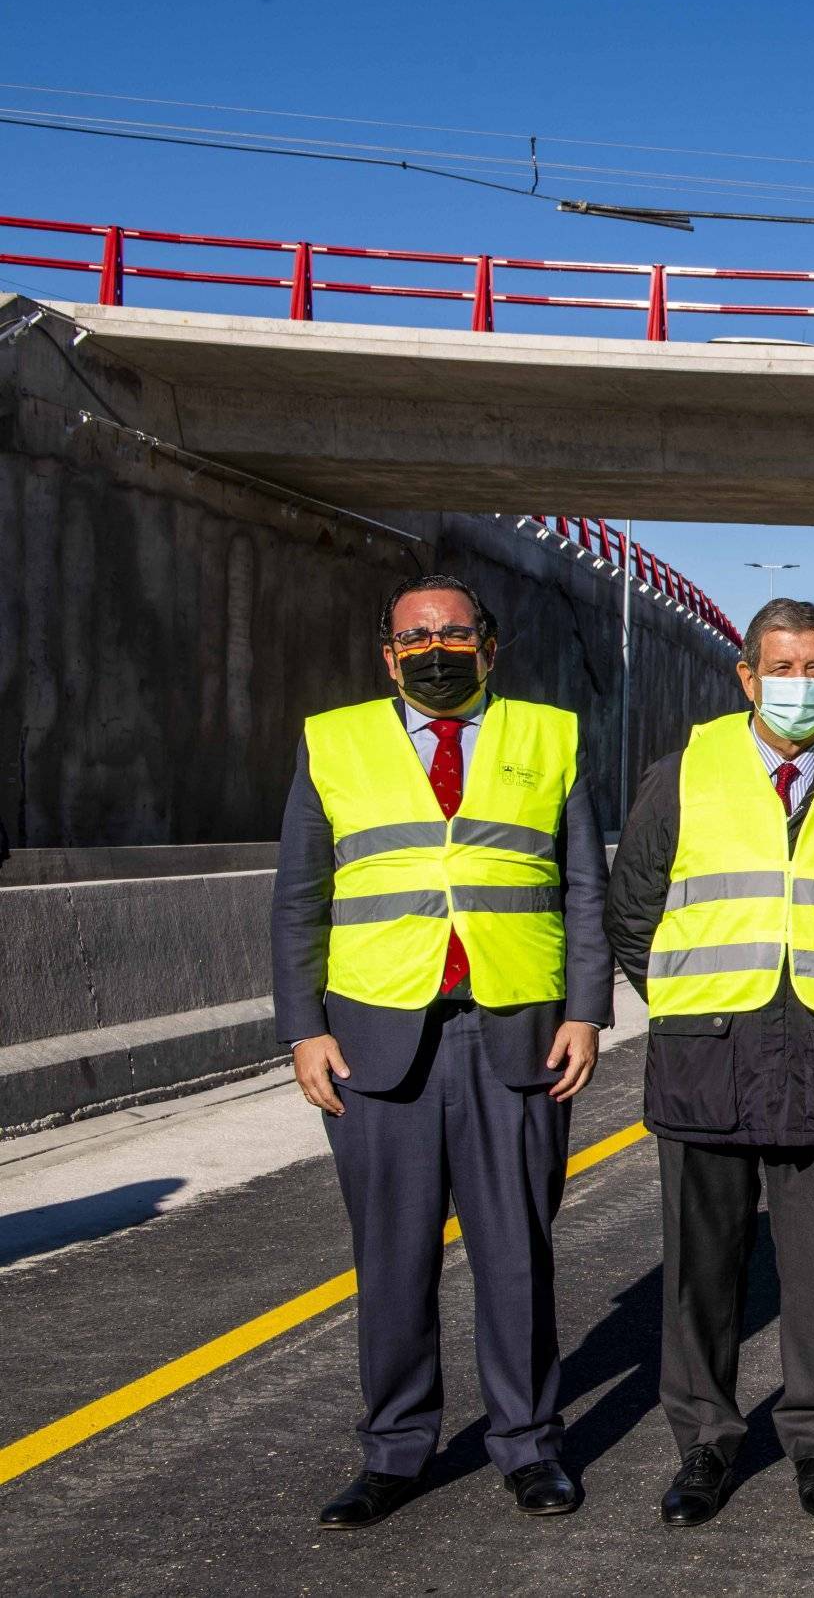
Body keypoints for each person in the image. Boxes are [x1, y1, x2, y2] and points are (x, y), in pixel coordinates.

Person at [271, 574, 607, 1528]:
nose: (435, 647)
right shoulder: (330, 740)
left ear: (489, 647)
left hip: (520, 1035)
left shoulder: (553, 734)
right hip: (376, 1038)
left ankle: (529, 1444)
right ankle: (394, 1450)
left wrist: (586, 1011)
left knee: (517, 1253)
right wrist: (304, 1026)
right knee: (392, 1256)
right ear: (388, 654)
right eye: (416, 636)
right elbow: (299, 894)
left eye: (455, 632)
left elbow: (585, 886)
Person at [606, 598, 814, 1526]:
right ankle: (704, 1442)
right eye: (780, 667)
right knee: (700, 1267)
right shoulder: (686, 770)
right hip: (706, 1054)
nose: (799, 683)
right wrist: (691, 1001)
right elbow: (635, 910)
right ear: (746, 676)